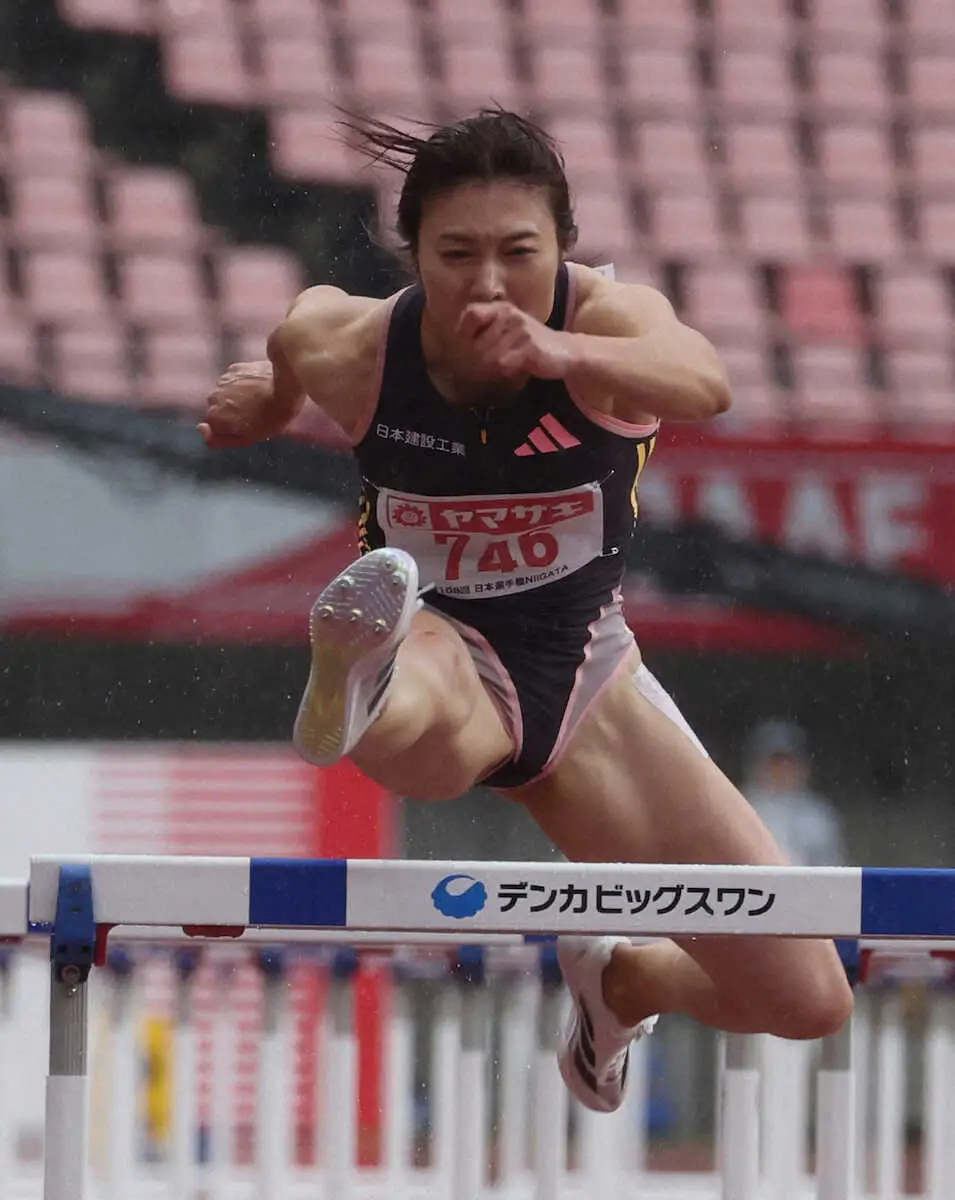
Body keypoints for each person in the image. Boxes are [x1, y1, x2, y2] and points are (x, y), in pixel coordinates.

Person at [200, 110, 853, 1114]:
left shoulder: (608, 321)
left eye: (519, 253)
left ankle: (620, 980)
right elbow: (294, 345)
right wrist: (276, 401)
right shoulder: (358, 349)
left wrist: (561, 353)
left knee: (809, 998)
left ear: (563, 249)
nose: (489, 283)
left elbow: (705, 382)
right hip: (439, 636)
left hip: (590, 677)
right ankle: (355, 676)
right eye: (457, 255)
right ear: (413, 256)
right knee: (416, 725)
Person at [742, 720, 846, 867]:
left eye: (787, 762)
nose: (781, 770)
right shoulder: (740, 809)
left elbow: (832, 872)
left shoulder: (819, 817)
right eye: (774, 763)